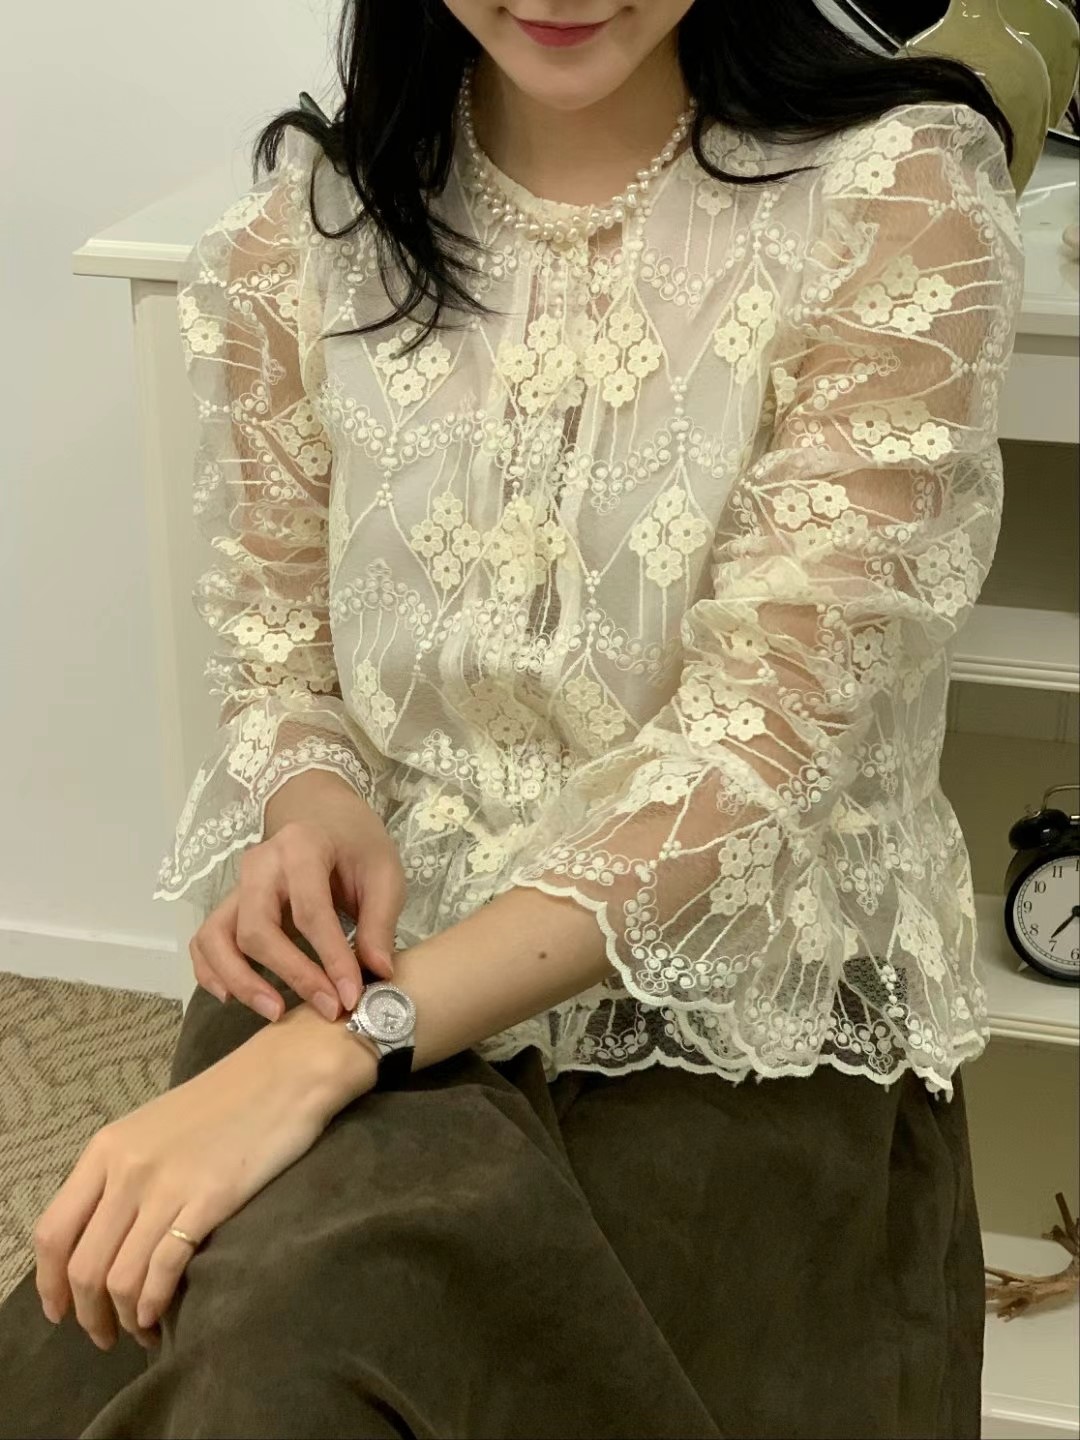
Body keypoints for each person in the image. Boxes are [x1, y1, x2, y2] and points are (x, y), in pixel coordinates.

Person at [0, 2, 1025, 1436]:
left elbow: (761, 754)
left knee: (288, 1341)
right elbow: (277, 650)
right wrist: (314, 803)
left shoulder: (890, 200)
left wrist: (339, 1047)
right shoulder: (311, 229)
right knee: (224, 1329)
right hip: (379, 973)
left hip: (719, 1025)